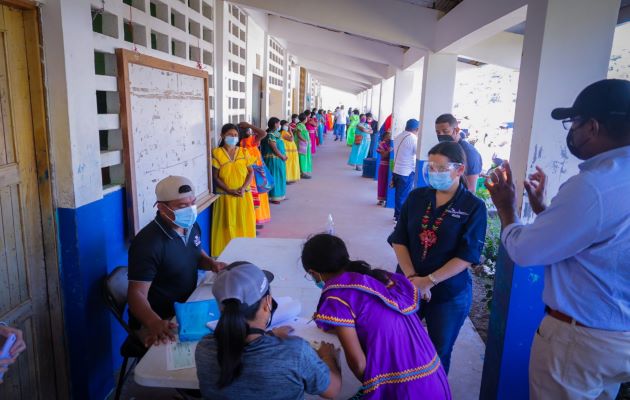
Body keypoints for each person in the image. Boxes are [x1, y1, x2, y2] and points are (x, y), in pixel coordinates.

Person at [485, 78, 630, 399]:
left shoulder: (594, 185)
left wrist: (507, 208)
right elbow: (601, 243)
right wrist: (546, 211)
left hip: (579, 343)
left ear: (592, 127)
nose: (572, 131)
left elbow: (524, 252)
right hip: (620, 340)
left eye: (574, 122)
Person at [302, 234, 452, 400]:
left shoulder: (338, 297)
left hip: (405, 390)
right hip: (433, 377)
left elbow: (358, 364)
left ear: (314, 273)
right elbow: (373, 321)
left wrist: (328, 357)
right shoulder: (380, 278)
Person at [389, 141, 488, 374]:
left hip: (448, 293)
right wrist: (413, 278)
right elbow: (399, 239)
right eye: (431, 167)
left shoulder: (473, 207)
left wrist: (429, 281)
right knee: (399, 343)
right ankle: (400, 388)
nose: (434, 173)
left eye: (441, 168)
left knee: (439, 350)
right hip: (409, 285)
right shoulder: (417, 197)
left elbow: (467, 255)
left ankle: (434, 389)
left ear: (459, 169)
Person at [195, 262, 341, 400]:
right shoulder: (295, 353)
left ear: (221, 308)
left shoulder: (204, 348)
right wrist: (328, 357)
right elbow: (332, 390)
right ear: (267, 304)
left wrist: (269, 335)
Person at [128, 175, 226, 347]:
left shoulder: (191, 226)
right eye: (182, 206)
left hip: (188, 305)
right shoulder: (147, 244)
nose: (190, 210)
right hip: (161, 318)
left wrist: (211, 263)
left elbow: (195, 254)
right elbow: (136, 295)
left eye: (192, 203)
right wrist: (153, 322)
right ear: (162, 208)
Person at [435, 114, 483, 193]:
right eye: (438, 132)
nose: (441, 135)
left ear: (456, 130)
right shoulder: (448, 148)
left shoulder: (469, 153)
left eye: (445, 131)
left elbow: (470, 188)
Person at [240, 122, 271, 227]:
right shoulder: (245, 142)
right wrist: (249, 125)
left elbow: (263, 133)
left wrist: (249, 126)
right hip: (249, 174)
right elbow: (263, 133)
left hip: (255, 173)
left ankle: (256, 220)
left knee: (256, 195)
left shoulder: (250, 141)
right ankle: (253, 221)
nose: (250, 132)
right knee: (253, 196)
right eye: (248, 130)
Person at [392, 119, 419, 221]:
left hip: (397, 170)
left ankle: (397, 215)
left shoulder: (398, 136)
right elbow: (418, 152)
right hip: (406, 172)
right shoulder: (412, 138)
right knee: (403, 196)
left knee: (399, 195)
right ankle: (399, 218)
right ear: (417, 129)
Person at [262, 117, 287, 204]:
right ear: (275, 124)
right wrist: (281, 156)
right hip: (273, 159)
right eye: (278, 123)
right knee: (274, 176)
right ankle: (273, 196)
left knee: (280, 176)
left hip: (279, 159)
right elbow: (274, 148)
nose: (280, 125)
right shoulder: (271, 134)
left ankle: (280, 195)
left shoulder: (277, 133)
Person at [376, 130, 393, 206]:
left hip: (391, 165)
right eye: (387, 137)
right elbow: (383, 156)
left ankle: (388, 199)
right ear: (384, 138)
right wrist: (389, 151)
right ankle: (381, 199)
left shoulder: (393, 144)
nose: (389, 138)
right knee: (382, 182)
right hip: (384, 166)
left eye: (390, 136)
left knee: (390, 182)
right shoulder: (382, 144)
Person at [281, 120, 300, 184]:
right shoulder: (283, 132)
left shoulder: (286, 132)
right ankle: (287, 179)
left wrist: (290, 131)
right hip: (288, 152)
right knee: (288, 165)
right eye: (286, 125)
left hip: (291, 152)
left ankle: (290, 178)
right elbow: (291, 139)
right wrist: (290, 131)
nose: (288, 126)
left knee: (291, 165)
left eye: (288, 125)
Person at [295, 113, 312, 179]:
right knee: (302, 157)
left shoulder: (303, 125)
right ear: (304, 119)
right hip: (302, 145)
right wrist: (305, 140)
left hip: (304, 144)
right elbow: (299, 135)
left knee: (305, 157)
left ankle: (303, 172)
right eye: (306, 118)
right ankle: (302, 173)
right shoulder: (299, 125)